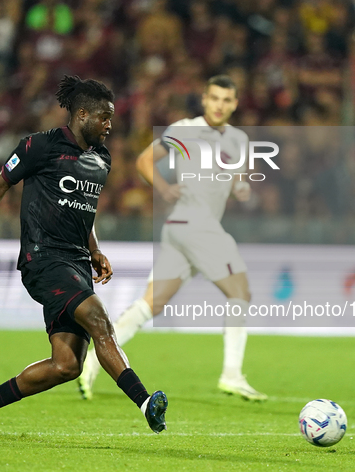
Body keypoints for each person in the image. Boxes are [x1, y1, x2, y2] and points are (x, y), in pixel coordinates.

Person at [0, 75, 168, 441]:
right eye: (104, 117)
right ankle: (145, 403)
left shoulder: (101, 159)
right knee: (99, 320)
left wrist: (94, 250)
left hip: (76, 263)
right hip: (42, 258)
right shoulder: (38, 146)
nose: (110, 125)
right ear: (81, 114)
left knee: (66, 365)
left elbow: (82, 211)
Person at [78, 75, 268, 402]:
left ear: (235, 104)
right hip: (195, 224)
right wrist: (164, 188)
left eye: (227, 100)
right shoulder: (185, 129)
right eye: (215, 98)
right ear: (205, 100)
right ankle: (232, 375)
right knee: (240, 292)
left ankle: (93, 361)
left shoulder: (239, 140)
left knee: (152, 303)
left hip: (183, 228)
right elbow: (143, 161)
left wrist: (241, 187)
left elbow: (238, 182)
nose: (220, 105)